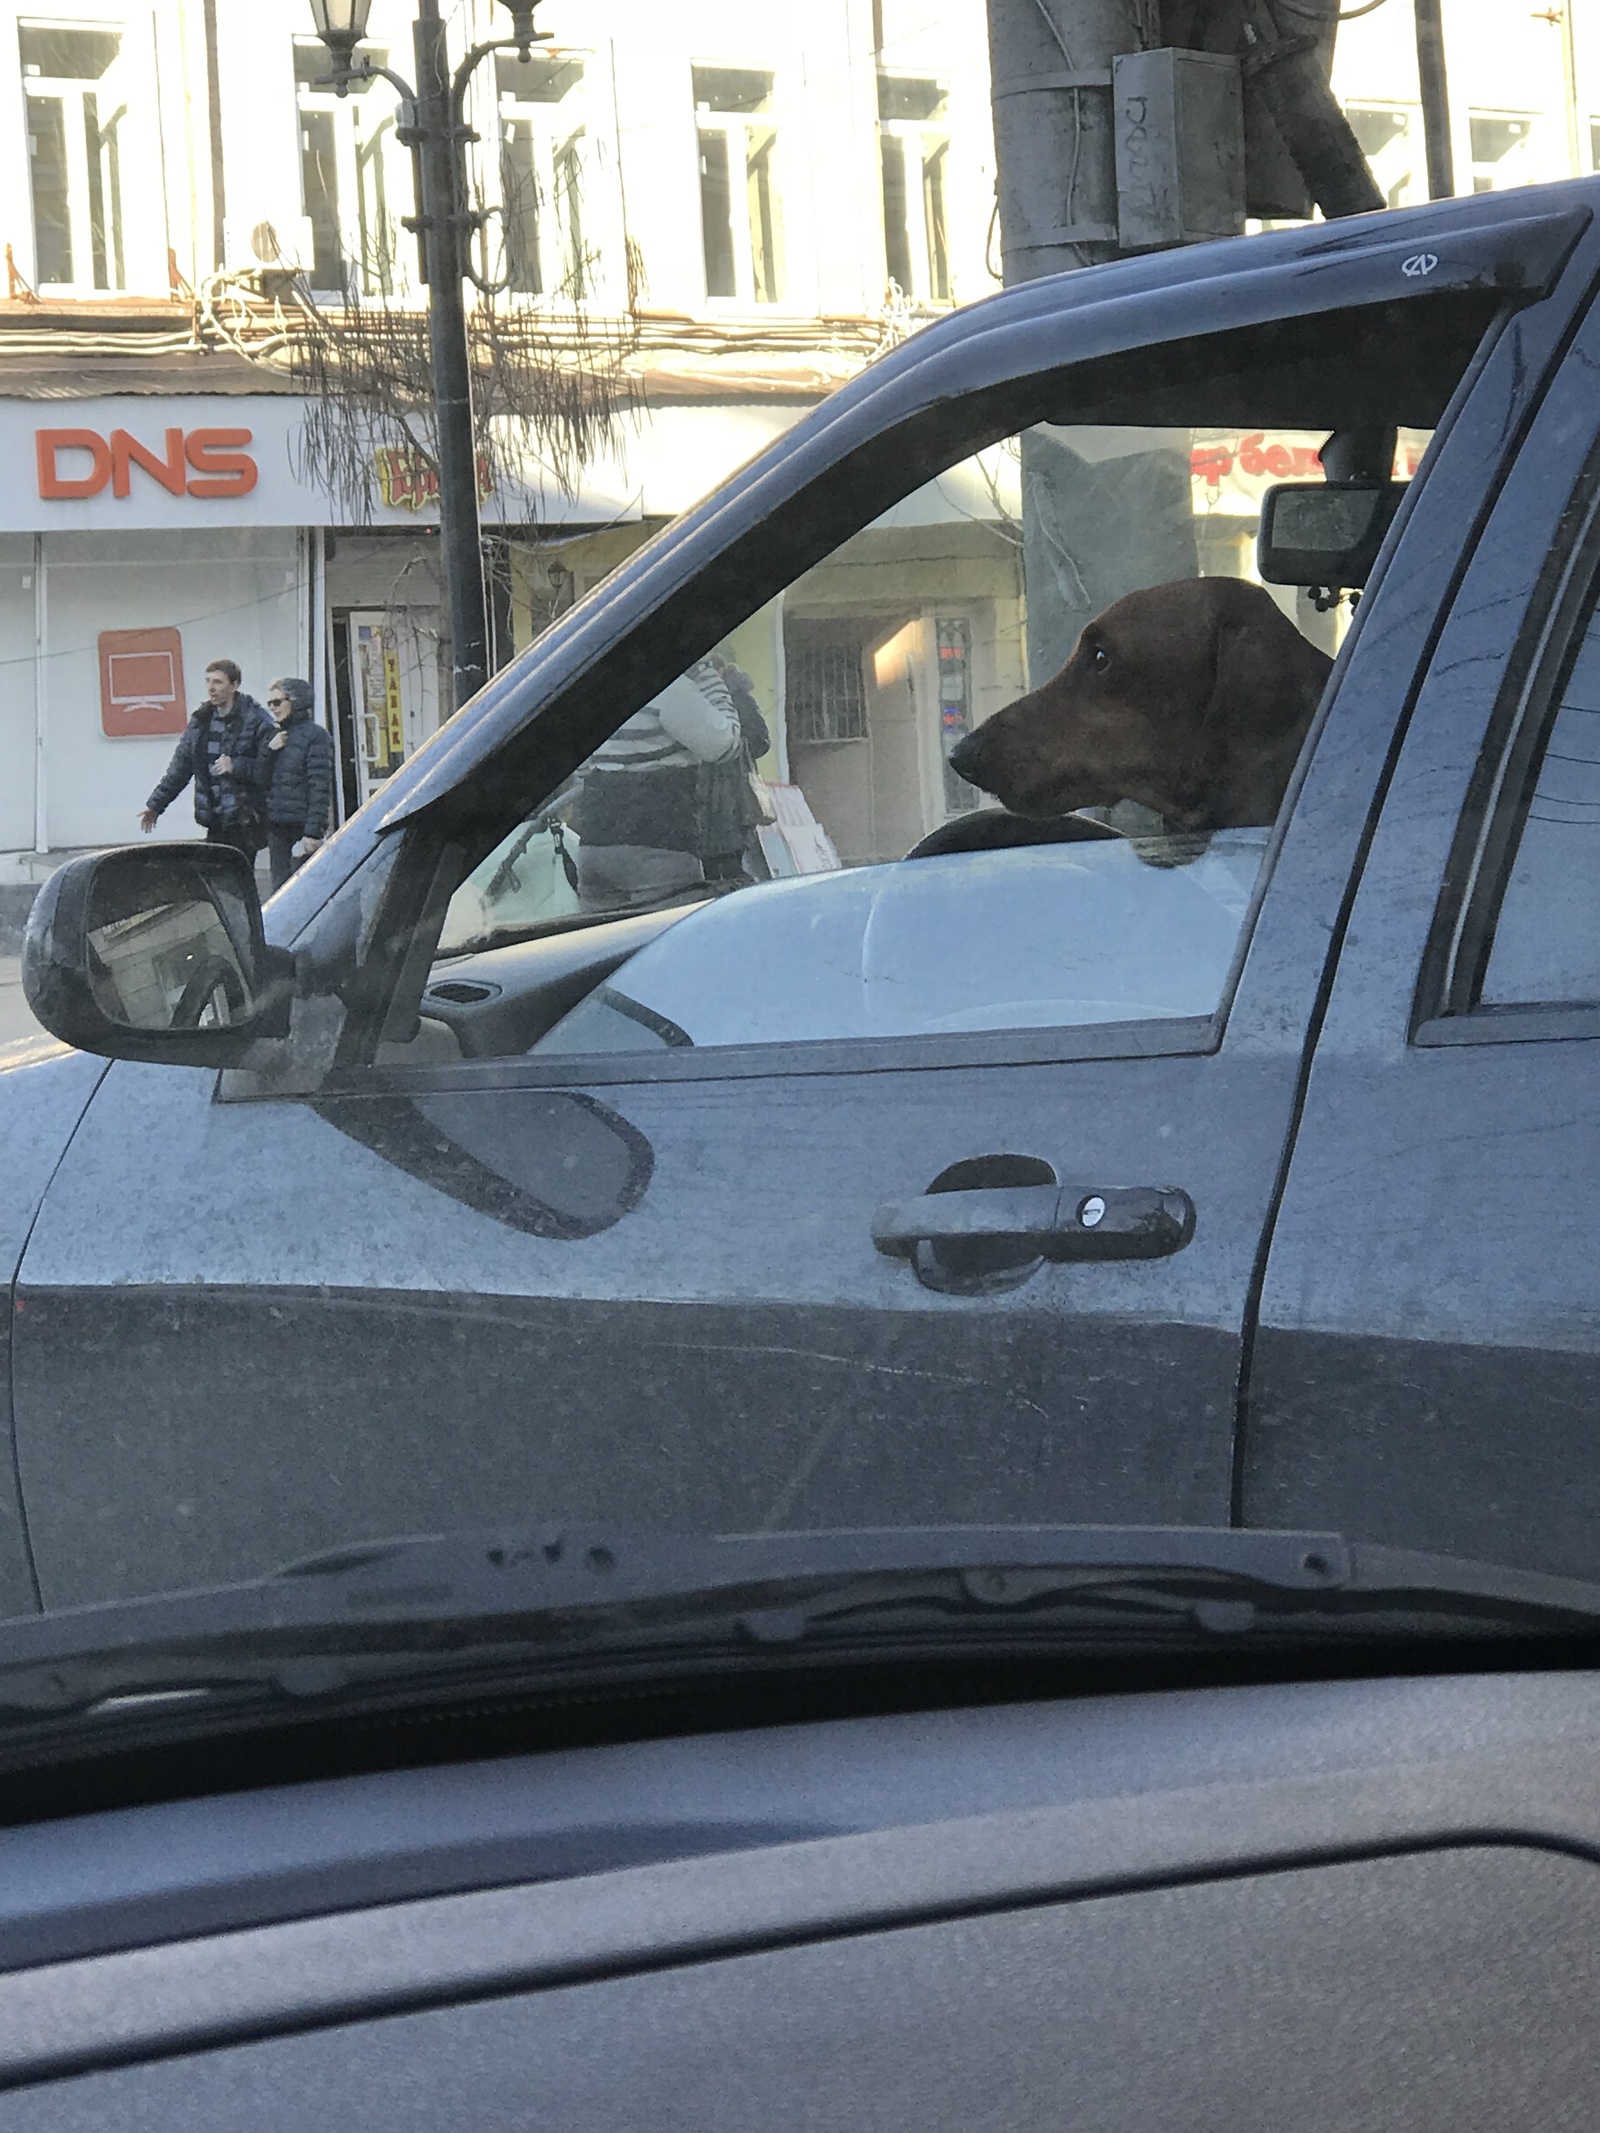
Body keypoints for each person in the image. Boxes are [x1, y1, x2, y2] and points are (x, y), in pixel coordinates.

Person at [569, 658, 743, 914]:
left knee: (604, 947)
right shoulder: (667, 686)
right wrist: (709, 678)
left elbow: (583, 769)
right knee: (663, 944)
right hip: (657, 844)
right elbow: (723, 744)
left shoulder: (600, 687)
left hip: (595, 846)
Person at [140, 659, 275, 861]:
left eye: (218, 682)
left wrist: (237, 766)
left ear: (234, 685)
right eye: (208, 681)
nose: (211, 688)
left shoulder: (256, 720)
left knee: (238, 877)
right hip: (214, 817)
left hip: (245, 820)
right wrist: (156, 805)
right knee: (218, 878)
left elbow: (271, 768)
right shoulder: (201, 721)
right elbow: (180, 767)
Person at [259, 677, 335, 891]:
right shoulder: (274, 736)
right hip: (277, 828)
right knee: (280, 892)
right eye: (270, 704)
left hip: (302, 827)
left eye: (277, 702)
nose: (273, 709)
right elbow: (259, 780)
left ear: (296, 701)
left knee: (307, 890)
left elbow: (319, 786)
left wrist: (313, 831)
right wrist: (269, 752)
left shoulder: (316, 736)